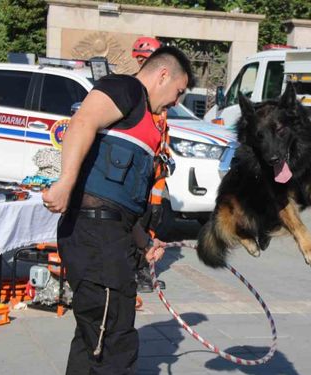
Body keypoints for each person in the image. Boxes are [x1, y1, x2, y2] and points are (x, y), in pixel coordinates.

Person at [42, 46, 194, 375]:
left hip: (110, 235)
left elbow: (121, 202)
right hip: (96, 238)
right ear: (163, 75)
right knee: (114, 339)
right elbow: (82, 122)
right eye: (178, 92)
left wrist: (143, 242)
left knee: (94, 337)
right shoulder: (125, 89)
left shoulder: (146, 119)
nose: (176, 102)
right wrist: (66, 182)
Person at [131, 36, 167, 293]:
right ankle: (137, 272)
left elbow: (163, 133)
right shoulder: (135, 92)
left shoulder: (160, 96)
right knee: (137, 222)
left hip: (157, 174)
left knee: (152, 220)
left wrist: (167, 156)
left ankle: (144, 270)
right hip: (141, 172)